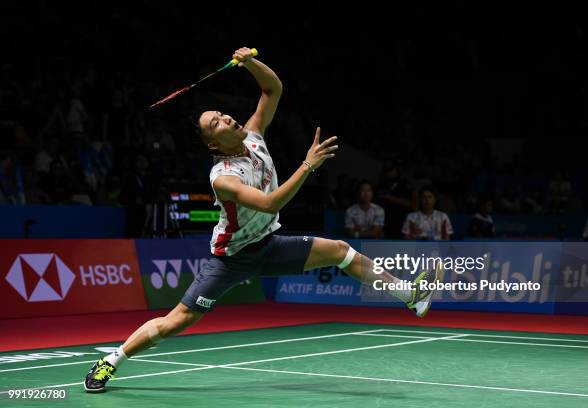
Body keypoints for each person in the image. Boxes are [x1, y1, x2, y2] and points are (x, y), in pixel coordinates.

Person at [84, 48, 444, 392]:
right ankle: (111, 360)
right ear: (213, 144)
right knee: (178, 320)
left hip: (268, 244)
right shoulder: (222, 177)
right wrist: (307, 165)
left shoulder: (254, 136)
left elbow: (273, 88)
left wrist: (249, 63)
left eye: (222, 114)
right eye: (216, 123)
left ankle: (409, 294)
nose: (226, 118)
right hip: (232, 257)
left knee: (338, 250)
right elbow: (270, 204)